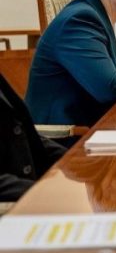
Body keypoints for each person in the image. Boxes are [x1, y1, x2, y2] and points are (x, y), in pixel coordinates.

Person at [0, 73, 66, 202]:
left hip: (38, 187)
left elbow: (21, 133)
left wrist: (71, 160)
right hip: (16, 203)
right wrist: (43, 191)